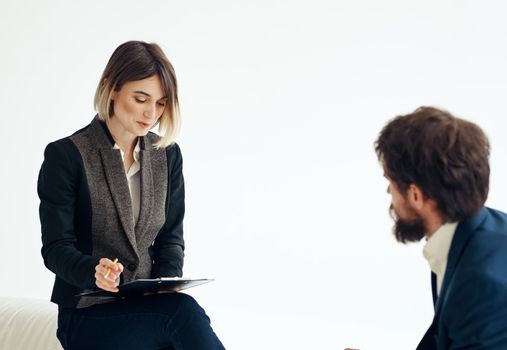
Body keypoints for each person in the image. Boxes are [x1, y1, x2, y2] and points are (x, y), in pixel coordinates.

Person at [38, 40, 225, 350]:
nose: (151, 113)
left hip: (146, 308)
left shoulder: (167, 155)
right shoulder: (67, 155)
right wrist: (94, 272)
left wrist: (166, 284)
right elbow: (56, 248)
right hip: (87, 314)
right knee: (183, 314)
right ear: (112, 89)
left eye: (161, 103)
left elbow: (171, 240)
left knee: (178, 314)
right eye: (141, 99)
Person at [374, 106, 507, 349]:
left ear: (415, 195)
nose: (388, 192)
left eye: (390, 182)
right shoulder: (474, 235)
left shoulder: (482, 283)